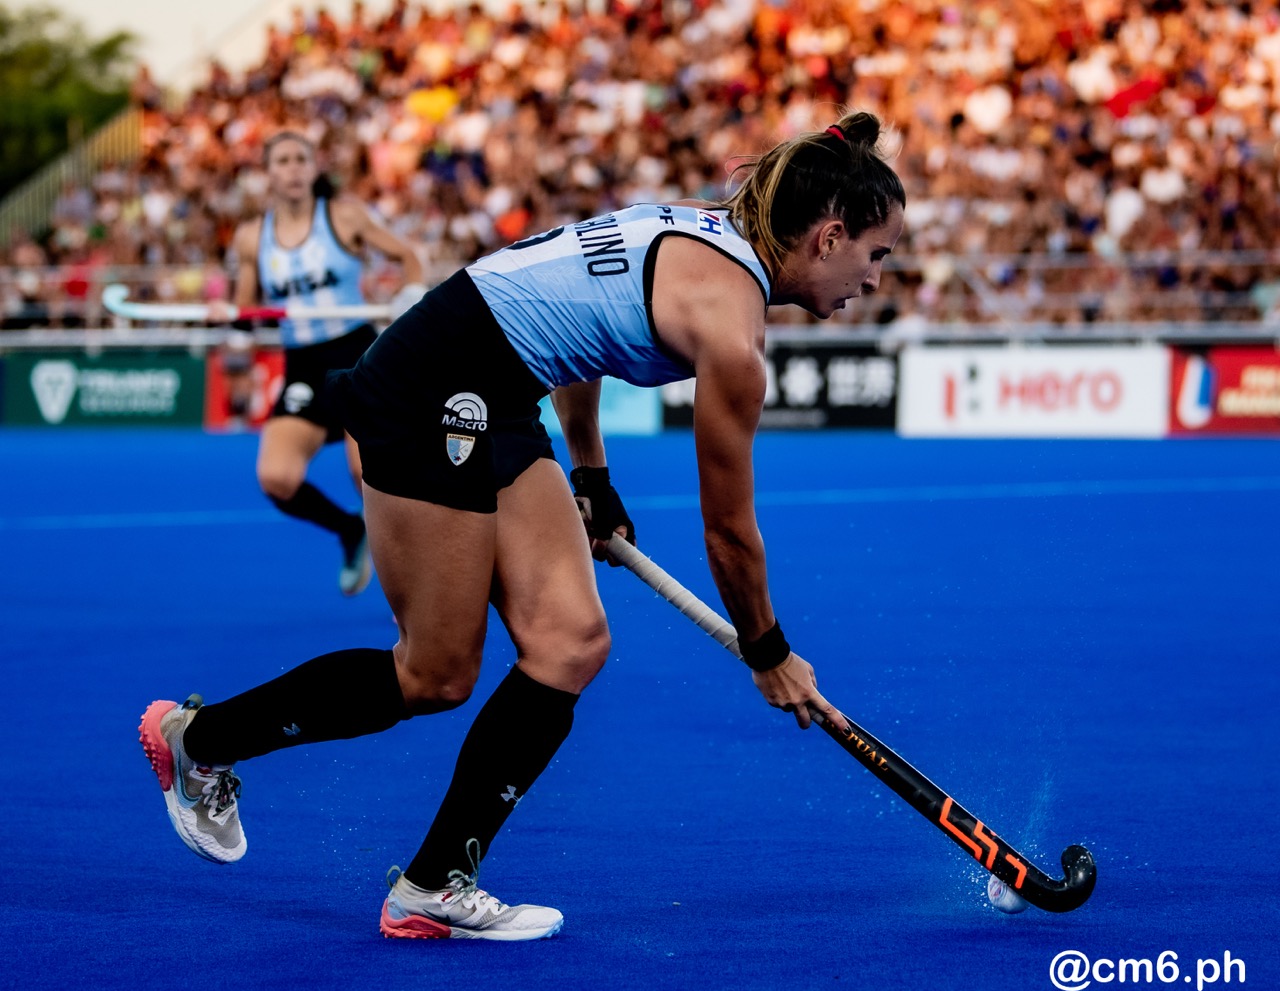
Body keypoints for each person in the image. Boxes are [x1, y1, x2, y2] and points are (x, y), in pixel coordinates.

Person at [139, 111, 905, 940]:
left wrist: (591, 475)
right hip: (428, 389)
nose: (874, 280)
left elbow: (582, 330)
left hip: (499, 394)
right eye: (876, 256)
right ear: (829, 237)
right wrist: (769, 652)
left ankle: (434, 885)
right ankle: (198, 740)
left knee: (570, 642)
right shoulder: (734, 331)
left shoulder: (700, 232)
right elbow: (727, 531)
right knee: (435, 674)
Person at [221, 129, 426, 595]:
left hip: (358, 356)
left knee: (364, 470)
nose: (292, 168)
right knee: (276, 476)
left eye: (300, 159)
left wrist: (409, 296)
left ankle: (410, 581)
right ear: (268, 173)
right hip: (304, 367)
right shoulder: (253, 238)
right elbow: (246, 316)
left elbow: (408, 257)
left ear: (314, 169)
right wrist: (230, 320)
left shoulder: (344, 217)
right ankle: (349, 530)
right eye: (282, 161)